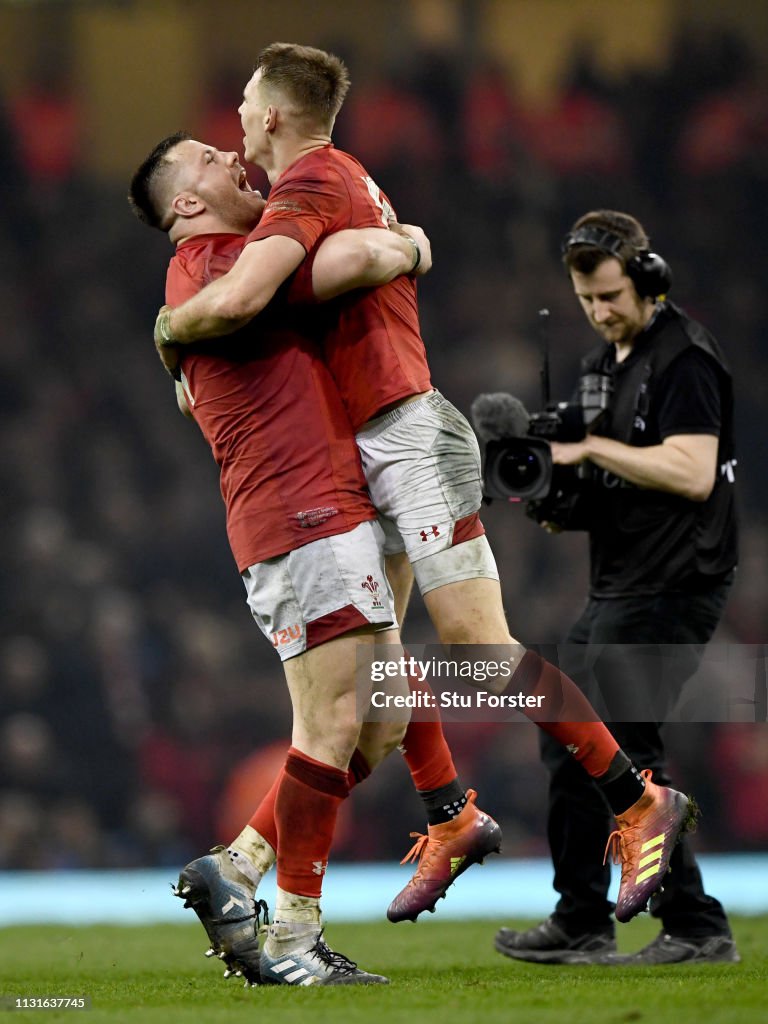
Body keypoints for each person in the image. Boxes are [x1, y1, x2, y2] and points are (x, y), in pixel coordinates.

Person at [150, 43, 692, 937]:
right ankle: (446, 816)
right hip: (365, 445)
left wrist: (173, 332)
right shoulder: (323, 182)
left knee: (479, 649)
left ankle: (635, 803)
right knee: (377, 688)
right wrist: (404, 243)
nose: (237, 121)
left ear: (276, 115)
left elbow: (253, 294)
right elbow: (334, 267)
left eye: (246, 103)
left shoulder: (311, 179)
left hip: (406, 429)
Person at [128, 131, 502, 986]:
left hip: (323, 508)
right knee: (336, 723)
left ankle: (241, 868)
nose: (233, 155)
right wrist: (412, 242)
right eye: (209, 160)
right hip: (300, 515)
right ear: (186, 206)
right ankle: (295, 937)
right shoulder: (231, 264)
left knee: (378, 720)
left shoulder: (226, 270)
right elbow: (364, 254)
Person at [495, 209, 739, 966]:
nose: (601, 312)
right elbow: (594, 488)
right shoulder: (604, 367)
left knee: (623, 746)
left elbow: (693, 471)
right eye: (587, 301)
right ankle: (582, 919)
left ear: (648, 278)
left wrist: (591, 446)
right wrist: (547, 485)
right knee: (571, 737)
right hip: (619, 582)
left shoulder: (685, 359)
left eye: (610, 295)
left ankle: (696, 925)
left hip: (675, 583)